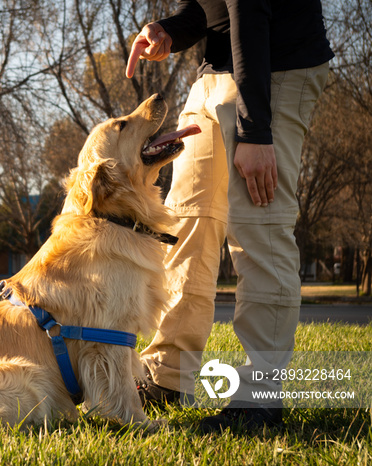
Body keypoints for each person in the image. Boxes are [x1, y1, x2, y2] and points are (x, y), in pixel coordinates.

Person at [125, 0, 333, 432]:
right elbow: (205, 9)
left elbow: (251, 6)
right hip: (213, 74)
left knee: (260, 228)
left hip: (273, 71)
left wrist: (255, 131)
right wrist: (169, 31)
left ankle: (261, 398)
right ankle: (168, 376)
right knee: (187, 222)